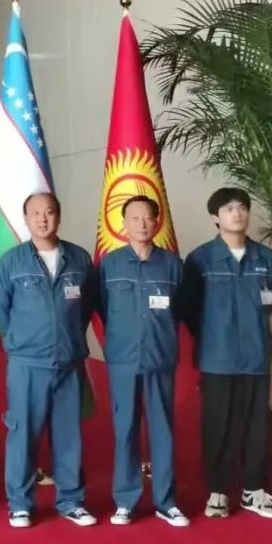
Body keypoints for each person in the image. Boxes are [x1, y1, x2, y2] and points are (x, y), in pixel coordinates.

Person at [0, 192, 98, 529]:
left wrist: (68, 338)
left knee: (69, 435)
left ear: (58, 217)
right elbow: (0, 309)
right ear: (26, 219)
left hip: (69, 361)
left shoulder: (79, 259)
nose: (42, 219)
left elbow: (86, 307)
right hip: (27, 363)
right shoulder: (11, 262)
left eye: (49, 212)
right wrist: (21, 341)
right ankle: (20, 504)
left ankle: (71, 502)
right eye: (35, 213)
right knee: (23, 433)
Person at [180, 187, 272, 520]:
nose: (236, 213)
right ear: (215, 217)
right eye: (228, 209)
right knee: (218, 425)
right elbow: (189, 309)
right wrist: (213, 335)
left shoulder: (266, 259)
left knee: (256, 426)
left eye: (242, 207)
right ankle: (218, 491)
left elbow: (270, 302)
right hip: (217, 357)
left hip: (256, 355)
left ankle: (255, 489)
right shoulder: (200, 260)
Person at [97, 195, 189, 527]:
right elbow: (102, 307)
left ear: (157, 221)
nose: (142, 224)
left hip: (160, 356)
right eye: (134, 218)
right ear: (123, 224)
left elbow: (181, 308)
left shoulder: (173, 265)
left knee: (162, 429)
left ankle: (166, 501)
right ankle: (126, 500)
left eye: (148, 217)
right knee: (125, 428)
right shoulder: (109, 265)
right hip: (123, 359)